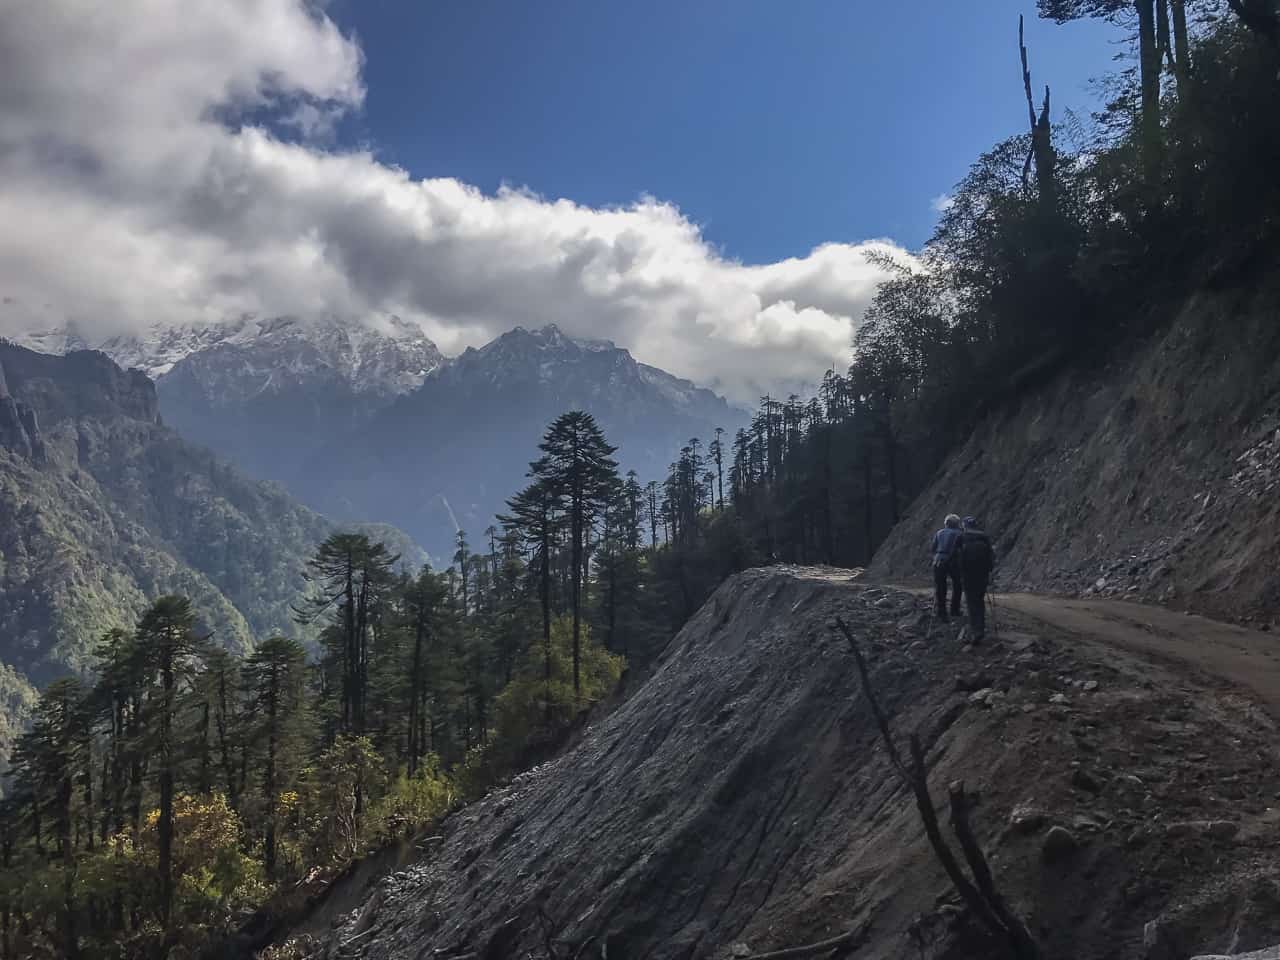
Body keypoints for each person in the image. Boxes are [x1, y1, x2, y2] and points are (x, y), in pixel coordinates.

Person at [960, 516, 996, 641]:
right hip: (983, 575)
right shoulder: (984, 537)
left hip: (968, 574)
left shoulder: (962, 537)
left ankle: (975, 631)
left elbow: (956, 556)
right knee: (979, 601)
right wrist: (990, 570)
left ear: (964, 525)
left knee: (971, 602)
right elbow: (991, 556)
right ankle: (980, 628)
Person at [930, 514, 964, 620]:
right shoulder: (959, 533)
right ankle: (954, 610)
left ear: (946, 523)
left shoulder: (939, 532)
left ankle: (941, 612)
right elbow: (962, 548)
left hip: (939, 560)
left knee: (940, 586)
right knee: (957, 585)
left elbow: (933, 547)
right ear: (957, 524)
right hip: (953, 560)